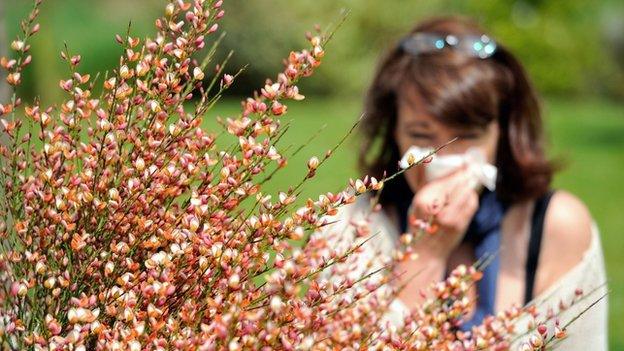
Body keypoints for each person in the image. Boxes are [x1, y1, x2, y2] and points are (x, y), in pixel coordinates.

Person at [338, 16, 607, 349]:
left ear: (502, 132)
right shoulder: (354, 225)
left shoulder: (556, 226)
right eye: (421, 135)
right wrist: (425, 254)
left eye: (467, 136)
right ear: (393, 131)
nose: (444, 157)